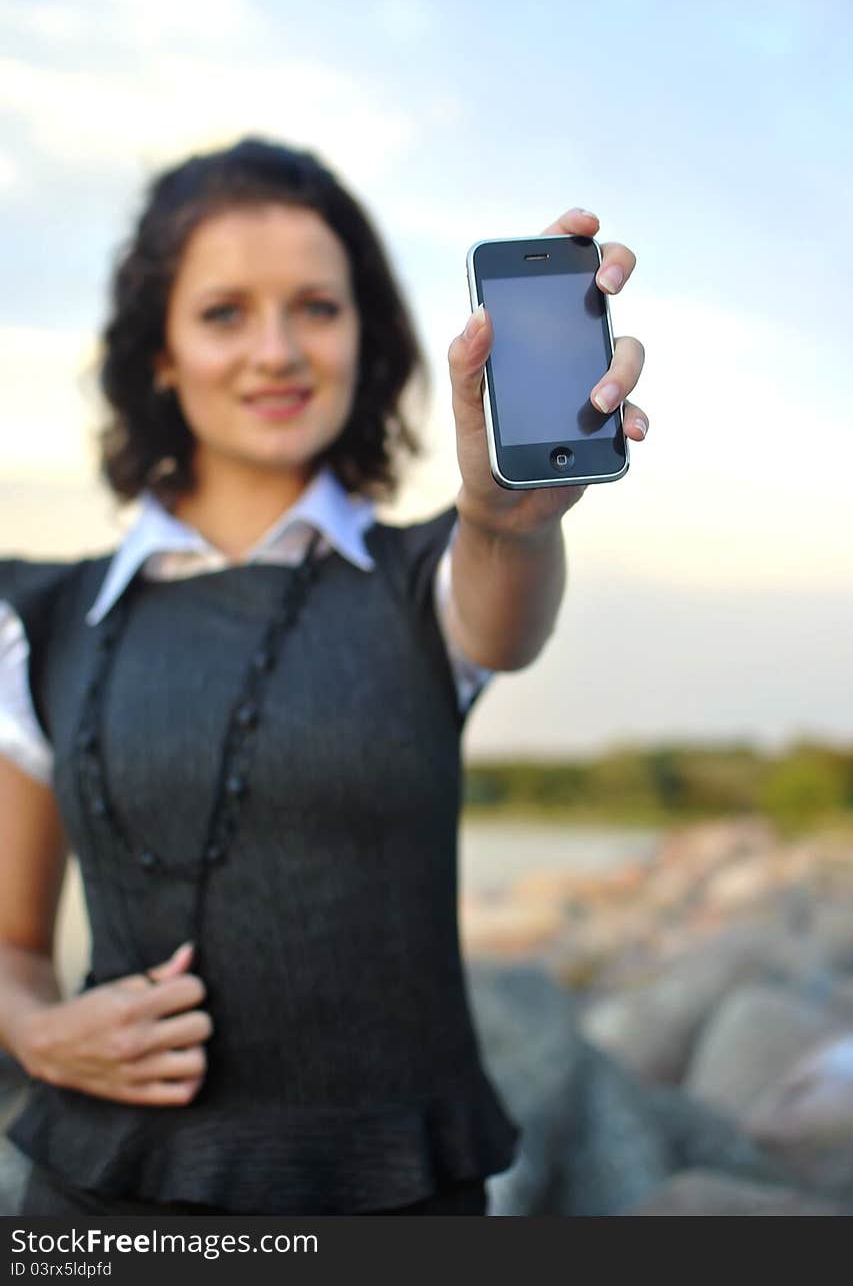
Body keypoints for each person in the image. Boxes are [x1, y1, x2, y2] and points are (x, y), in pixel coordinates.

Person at [0, 138, 648, 1216]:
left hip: (395, 1193)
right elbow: (13, 942)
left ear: (367, 337)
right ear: (158, 350)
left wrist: (505, 518)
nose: (276, 349)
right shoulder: (44, 618)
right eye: (223, 313)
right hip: (103, 1200)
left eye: (317, 306)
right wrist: (35, 1028)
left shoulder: (427, 580)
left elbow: (504, 600)